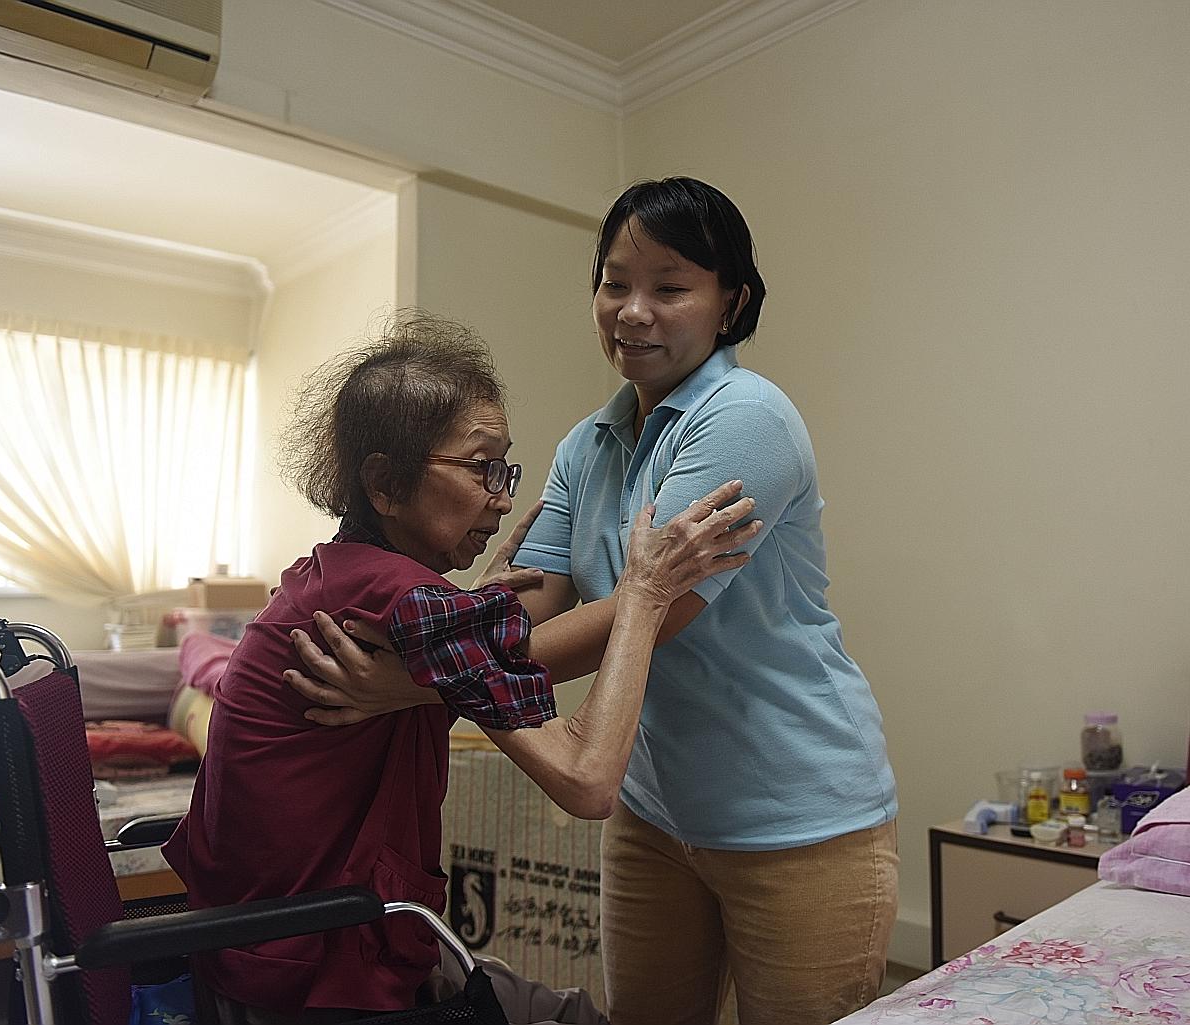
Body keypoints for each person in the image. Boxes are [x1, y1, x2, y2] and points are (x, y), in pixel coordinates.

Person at [289, 180, 898, 1025]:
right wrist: (446, 635)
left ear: (734, 302)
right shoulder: (590, 441)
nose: (633, 311)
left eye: (670, 287)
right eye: (615, 283)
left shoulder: (746, 419)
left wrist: (419, 683)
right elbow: (537, 598)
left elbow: (647, 616)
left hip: (798, 811)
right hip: (657, 810)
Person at [164, 311, 759, 1023]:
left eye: (504, 467)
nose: (504, 495)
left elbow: (437, 649)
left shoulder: (330, 575)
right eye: (481, 467)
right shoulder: (408, 601)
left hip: (267, 952)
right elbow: (588, 777)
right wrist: (644, 593)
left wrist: (469, 612)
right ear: (384, 484)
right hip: (321, 974)